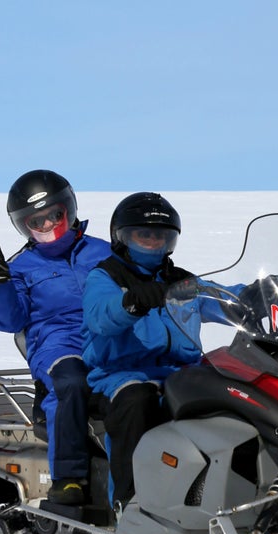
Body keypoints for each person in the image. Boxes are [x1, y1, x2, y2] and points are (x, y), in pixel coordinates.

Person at [0, 169, 111, 505]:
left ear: (69, 209)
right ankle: (68, 480)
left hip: (111, 340)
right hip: (58, 345)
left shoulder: (106, 252)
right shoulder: (21, 267)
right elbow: (11, 320)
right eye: (38, 222)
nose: (49, 226)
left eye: (55, 215)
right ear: (24, 226)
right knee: (71, 381)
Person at [81, 192, 201, 508]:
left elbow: (222, 298)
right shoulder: (105, 276)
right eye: (143, 234)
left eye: (160, 235)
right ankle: (130, 504)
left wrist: (265, 294)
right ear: (122, 237)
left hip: (180, 374)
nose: (152, 241)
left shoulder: (181, 281)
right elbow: (100, 315)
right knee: (138, 402)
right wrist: (131, 303)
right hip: (120, 376)